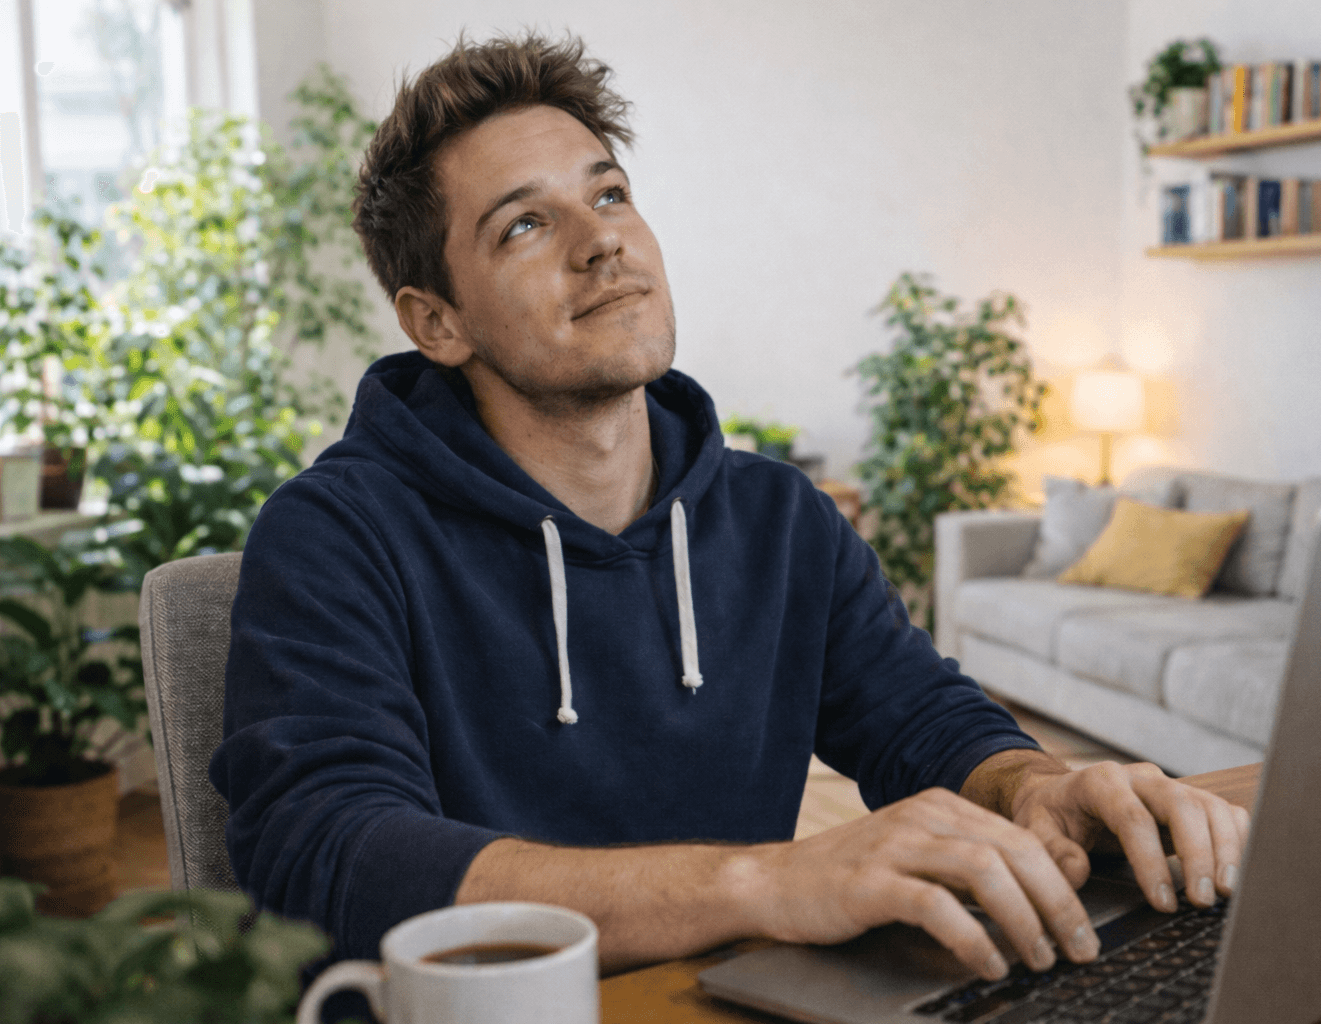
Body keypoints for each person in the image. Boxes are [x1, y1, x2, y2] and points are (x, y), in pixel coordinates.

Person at [211, 31, 1249, 985]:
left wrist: (1035, 785)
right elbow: (327, 853)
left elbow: (924, 720)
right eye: (525, 224)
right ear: (436, 321)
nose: (599, 242)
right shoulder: (335, 534)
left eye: (608, 194)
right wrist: (766, 882)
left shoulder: (779, 519)